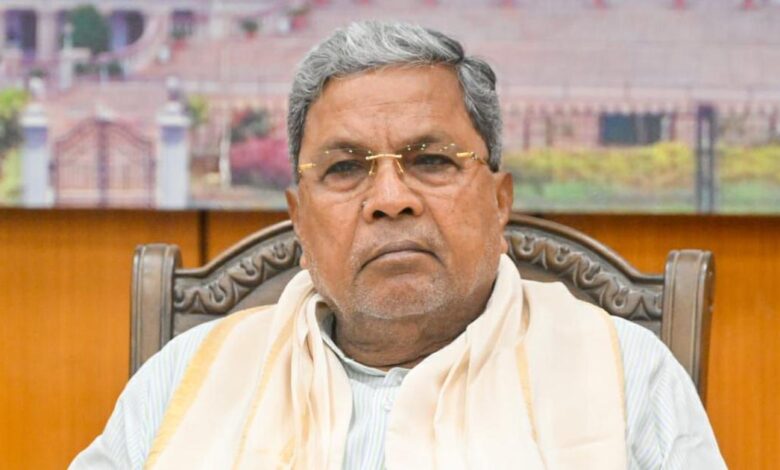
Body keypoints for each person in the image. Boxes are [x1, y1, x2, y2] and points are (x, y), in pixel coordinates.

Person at [70, 21, 725, 469]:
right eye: (344, 168)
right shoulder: (187, 375)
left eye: (431, 160)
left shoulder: (624, 371)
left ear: (499, 202)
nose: (390, 198)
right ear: (299, 221)